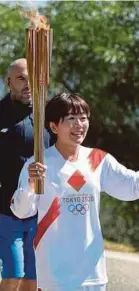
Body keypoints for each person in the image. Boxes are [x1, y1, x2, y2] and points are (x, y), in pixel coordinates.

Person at [10, 92, 139, 291]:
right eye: (71, 119)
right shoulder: (39, 164)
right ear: (54, 127)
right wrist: (30, 184)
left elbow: (132, 187)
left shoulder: (98, 160)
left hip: (93, 274)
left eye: (83, 118)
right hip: (55, 275)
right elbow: (21, 211)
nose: (79, 125)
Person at [0, 58, 49, 291]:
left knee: (32, 279)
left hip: (40, 212)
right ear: (8, 82)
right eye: (21, 79)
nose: (28, 84)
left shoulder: (48, 116)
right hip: (5, 211)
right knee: (14, 274)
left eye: (32, 79)